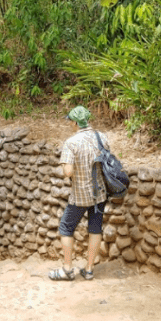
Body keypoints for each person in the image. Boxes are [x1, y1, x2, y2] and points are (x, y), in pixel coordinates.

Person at [50, 106, 111, 281]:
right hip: (99, 193)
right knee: (95, 228)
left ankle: (67, 269)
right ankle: (89, 269)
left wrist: (65, 165)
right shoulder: (102, 137)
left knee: (66, 228)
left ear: (76, 122)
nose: (70, 124)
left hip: (80, 195)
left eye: (71, 121)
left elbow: (68, 172)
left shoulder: (72, 142)